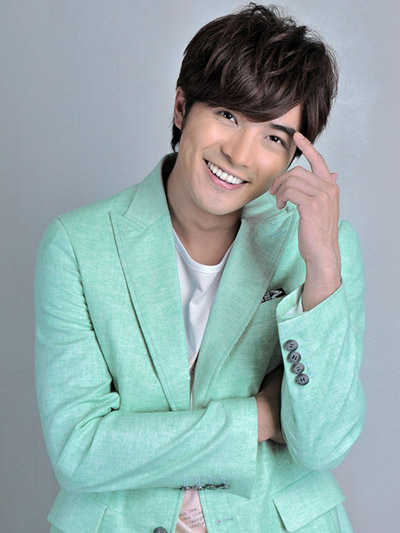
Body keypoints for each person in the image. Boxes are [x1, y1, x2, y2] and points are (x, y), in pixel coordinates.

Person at [34, 4, 366, 532]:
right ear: (181, 107)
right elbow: (80, 453)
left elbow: (322, 445)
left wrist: (323, 266)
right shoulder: (79, 245)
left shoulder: (320, 248)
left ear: (292, 158)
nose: (239, 154)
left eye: (274, 137)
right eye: (228, 115)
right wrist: (260, 417)